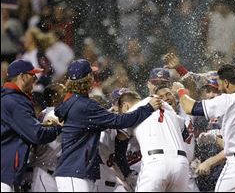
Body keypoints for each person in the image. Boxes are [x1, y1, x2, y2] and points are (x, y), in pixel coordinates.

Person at [53, 59, 161, 192]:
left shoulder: (75, 101)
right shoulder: (84, 105)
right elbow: (119, 121)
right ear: (89, 77)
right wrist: (147, 108)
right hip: (74, 171)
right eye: (91, 74)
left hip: (76, 170)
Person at [173, 64, 235, 192]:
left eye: (220, 84)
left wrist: (180, 91)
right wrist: (215, 139)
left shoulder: (228, 99)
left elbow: (190, 108)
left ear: (227, 82)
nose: (220, 88)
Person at [1, 59, 62, 192]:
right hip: (5, 174)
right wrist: (59, 127)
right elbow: (37, 134)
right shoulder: (14, 101)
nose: (35, 78)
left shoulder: (10, 98)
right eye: (32, 75)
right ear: (22, 77)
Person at [117, 91, 190, 192]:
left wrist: (127, 173)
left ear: (125, 106)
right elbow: (185, 133)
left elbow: (120, 143)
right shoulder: (166, 107)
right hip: (181, 164)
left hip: (155, 163)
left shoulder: (132, 112)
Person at [29, 83, 66, 192]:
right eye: (64, 93)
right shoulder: (53, 114)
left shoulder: (45, 112)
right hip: (45, 171)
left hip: (45, 170)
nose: (68, 96)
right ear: (55, 99)